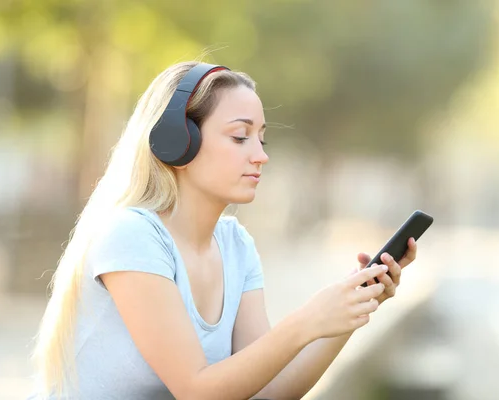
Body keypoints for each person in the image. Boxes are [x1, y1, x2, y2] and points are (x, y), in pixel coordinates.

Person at [28, 61, 418, 400]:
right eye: (239, 137)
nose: (261, 154)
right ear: (177, 142)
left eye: (262, 138)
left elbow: (267, 389)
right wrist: (308, 319)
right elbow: (197, 390)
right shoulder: (131, 236)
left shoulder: (235, 245)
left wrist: (350, 310)